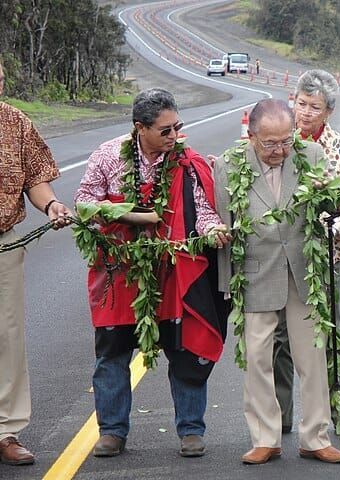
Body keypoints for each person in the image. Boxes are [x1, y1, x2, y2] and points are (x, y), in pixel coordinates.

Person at [74, 88, 230, 458]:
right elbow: (85, 203)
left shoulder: (185, 162)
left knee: (184, 346)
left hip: (172, 270)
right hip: (118, 271)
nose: (174, 137)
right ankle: (112, 431)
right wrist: (133, 215)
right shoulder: (109, 156)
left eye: (177, 127)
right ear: (139, 128)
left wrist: (212, 230)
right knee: (112, 351)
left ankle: (191, 430)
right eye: (165, 131)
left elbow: (202, 209)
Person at [214, 98, 340, 465]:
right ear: (251, 135)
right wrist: (228, 284)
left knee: (313, 355)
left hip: (304, 269)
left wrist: (335, 216)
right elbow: (223, 224)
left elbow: (334, 206)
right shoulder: (228, 164)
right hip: (255, 270)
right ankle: (265, 438)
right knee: (258, 357)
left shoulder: (312, 154)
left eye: (285, 141)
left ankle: (316, 437)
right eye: (270, 143)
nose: (279, 151)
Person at [273, 69, 340, 436]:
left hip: (324, 254)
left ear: (328, 112)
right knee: (280, 337)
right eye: (302, 103)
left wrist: (334, 230)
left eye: (316, 107)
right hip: (280, 255)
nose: (306, 112)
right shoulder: (277, 141)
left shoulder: (339, 148)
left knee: (327, 329)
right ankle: (281, 415)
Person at [0, 60, 72, 466]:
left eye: (1, 80)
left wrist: (52, 205)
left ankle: (5, 430)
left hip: (4, 241)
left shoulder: (15, 121)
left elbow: (35, 179)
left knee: (7, 337)